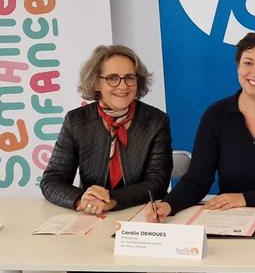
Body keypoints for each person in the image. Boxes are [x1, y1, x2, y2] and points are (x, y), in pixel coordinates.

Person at [146, 32, 255, 221]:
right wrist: (168, 205)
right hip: (236, 218)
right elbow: (197, 180)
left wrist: (245, 198)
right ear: (238, 67)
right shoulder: (216, 115)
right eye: (248, 63)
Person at [40, 45, 173, 214]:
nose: (123, 86)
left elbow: (157, 184)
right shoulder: (76, 121)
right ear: (95, 83)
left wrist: (111, 201)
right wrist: (82, 200)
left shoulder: (156, 121)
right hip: (93, 214)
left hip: (141, 215)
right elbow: (52, 180)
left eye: (129, 78)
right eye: (112, 78)